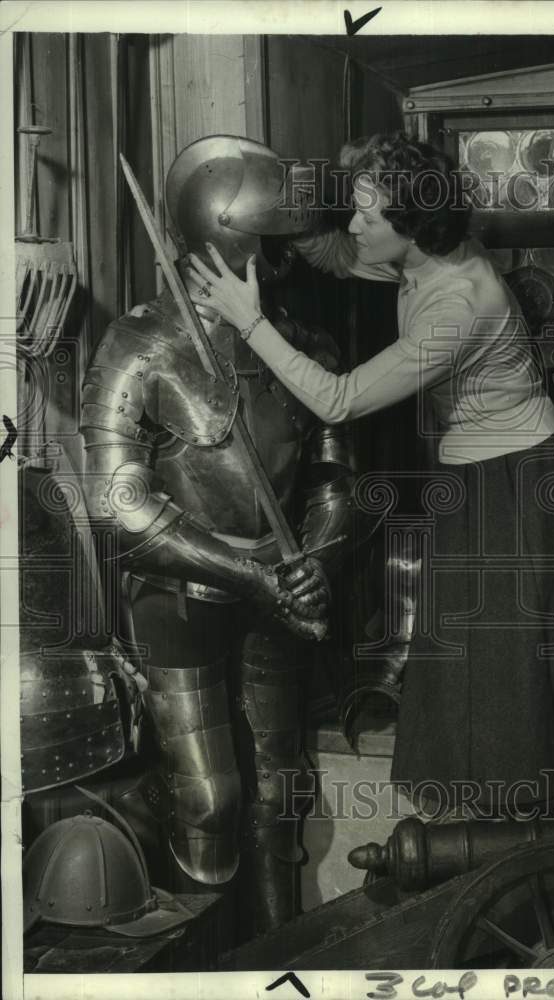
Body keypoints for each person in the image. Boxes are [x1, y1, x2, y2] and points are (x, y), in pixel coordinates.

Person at [186, 131, 554, 816]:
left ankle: (531, 846)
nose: (355, 224)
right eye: (356, 207)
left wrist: (249, 321)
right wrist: (278, 217)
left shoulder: (459, 303)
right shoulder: (426, 251)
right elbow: (336, 253)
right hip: (487, 479)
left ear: (409, 225)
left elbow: (338, 399)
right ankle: (498, 840)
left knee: (513, 683)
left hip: (522, 487)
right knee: (484, 676)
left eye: (368, 213)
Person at [79, 135, 355, 936]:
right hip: (181, 595)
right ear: (227, 241)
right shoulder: (139, 344)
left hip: (280, 587)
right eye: (270, 246)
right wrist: (248, 572)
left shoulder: (303, 346)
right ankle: (205, 962)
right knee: (210, 796)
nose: (286, 262)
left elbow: (340, 483)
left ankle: (274, 954)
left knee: (277, 792)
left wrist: (316, 560)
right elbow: (118, 498)